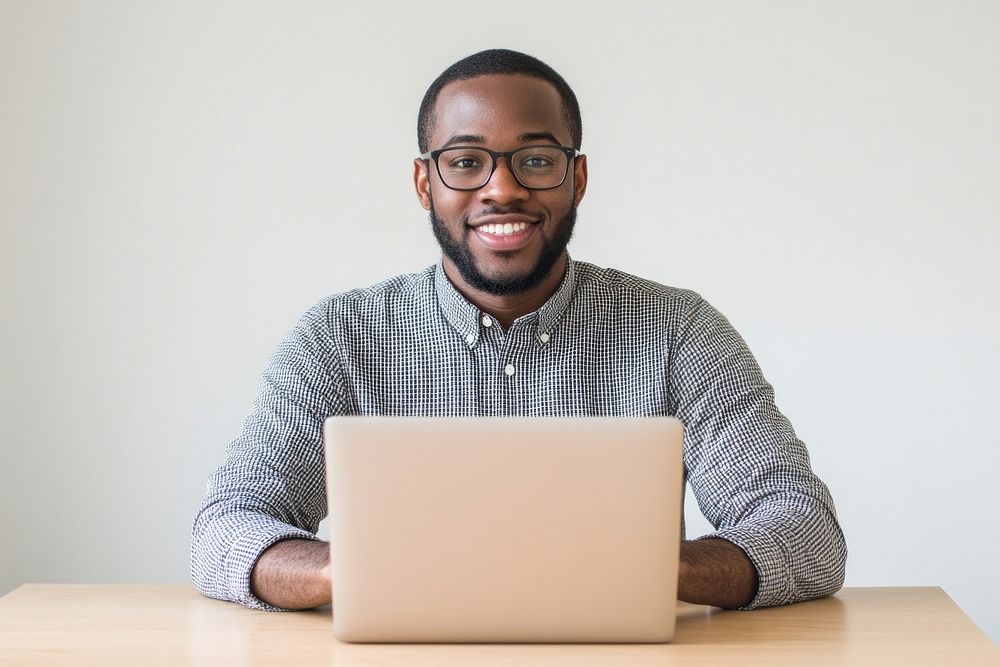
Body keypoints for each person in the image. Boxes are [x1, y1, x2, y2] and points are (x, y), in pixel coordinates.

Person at [191, 49, 847, 613]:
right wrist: (347, 572)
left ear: (577, 178)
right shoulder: (339, 337)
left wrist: (652, 569)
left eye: (535, 159)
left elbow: (808, 532)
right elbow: (224, 527)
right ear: (425, 182)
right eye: (466, 161)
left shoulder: (679, 330)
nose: (501, 188)